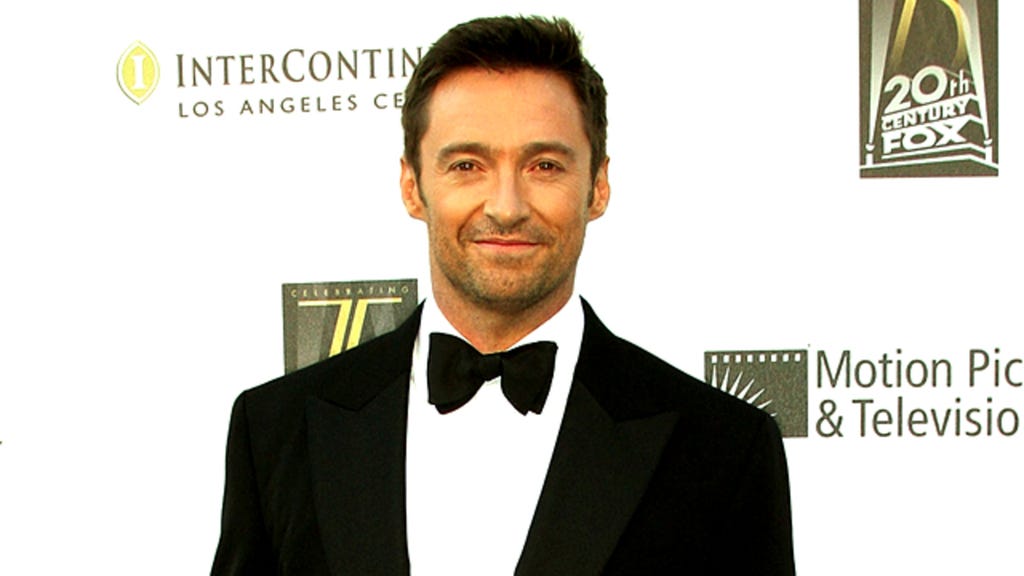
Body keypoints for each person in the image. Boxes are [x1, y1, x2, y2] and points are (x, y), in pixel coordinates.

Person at [212, 15, 795, 576]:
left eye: (544, 165)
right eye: (468, 165)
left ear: (598, 186)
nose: (506, 206)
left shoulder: (723, 448)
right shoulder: (277, 431)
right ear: (412, 186)